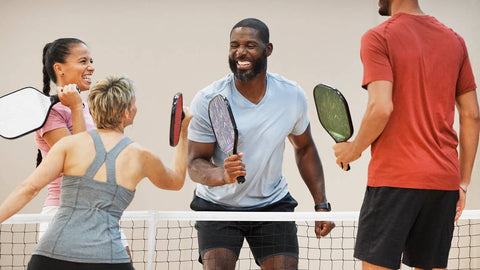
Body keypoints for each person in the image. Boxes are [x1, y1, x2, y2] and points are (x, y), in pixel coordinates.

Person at [333, 1, 479, 269]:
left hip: (394, 179)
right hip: (443, 181)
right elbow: (471, 115)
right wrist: (463, 183)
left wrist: (353, 149)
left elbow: (381, 107)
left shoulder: (378, 37)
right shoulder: (454, 40)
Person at [187, 18, 335, 270]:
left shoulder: (291, 95)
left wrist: (321, 204)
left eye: (250, 45)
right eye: (234, 45)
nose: (240, 52)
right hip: (218, 206)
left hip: (272, 204)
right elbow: (194, 163)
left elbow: (305, 148)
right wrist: (222, 174)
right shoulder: (209, 98)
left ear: (268, 50)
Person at [0, 75, 191, 269]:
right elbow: (176, 182)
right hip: (107, 259)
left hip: (52, 256)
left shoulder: (69, 145)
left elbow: (29, 188)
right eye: (134, 104)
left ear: (91, 110)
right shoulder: (141, 156)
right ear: (126, 113)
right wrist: (184, 133)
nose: (136, 109)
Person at [36, 38, 133, 256]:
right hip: (62, 213)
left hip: (100, 210)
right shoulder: (51, 114)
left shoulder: (88, 108)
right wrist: (75, 108)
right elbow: (78, 162)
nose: (91, 66)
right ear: (59, 68)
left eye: (91, 60)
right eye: (83, 61)